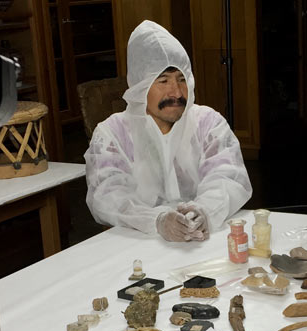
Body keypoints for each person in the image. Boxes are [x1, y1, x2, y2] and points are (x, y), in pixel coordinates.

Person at [84, 20, 252, 242]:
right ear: (140, 86)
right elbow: (107, 196)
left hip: (203, 239)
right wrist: (157, 220)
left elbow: (228, 178)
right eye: (163, 80)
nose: (176, 91)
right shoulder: (112, 135)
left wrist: (203, 212)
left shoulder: (208, 123)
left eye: (182, 79)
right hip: (137, 245)